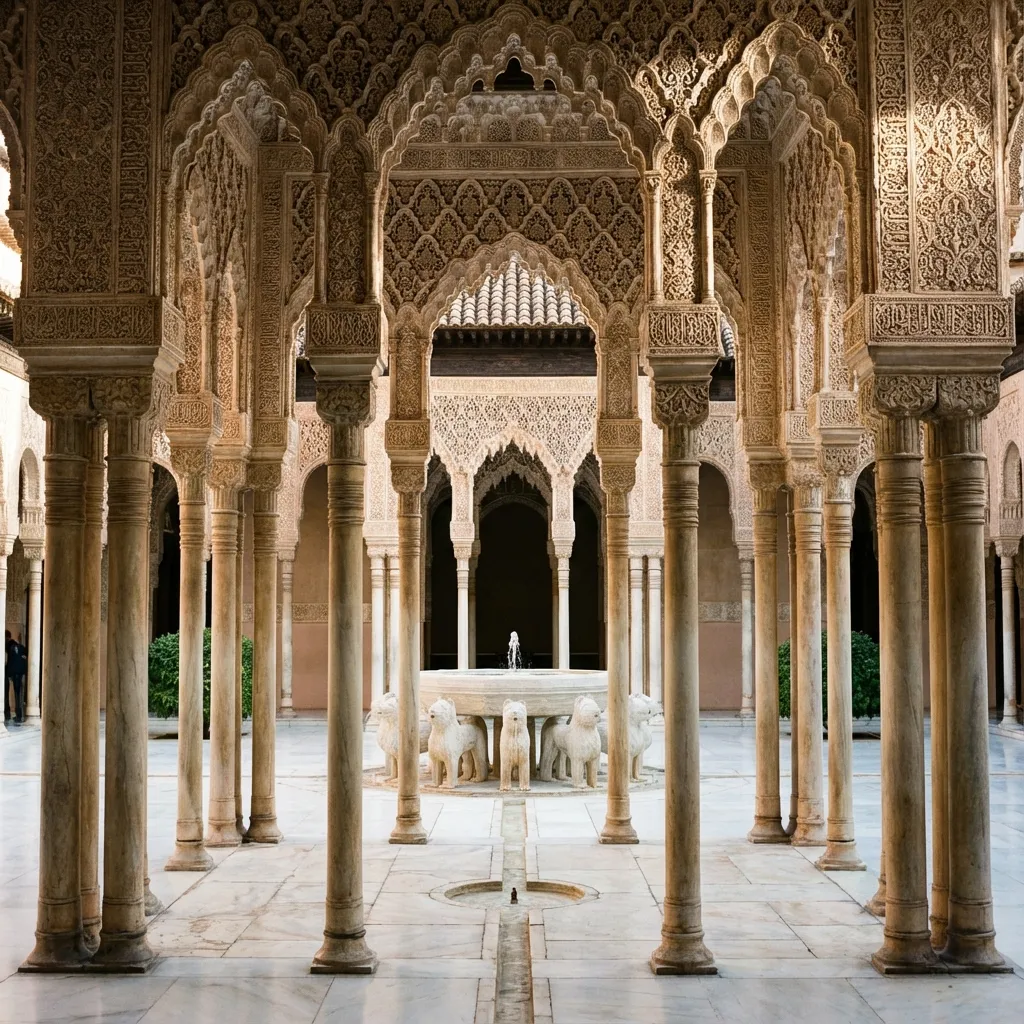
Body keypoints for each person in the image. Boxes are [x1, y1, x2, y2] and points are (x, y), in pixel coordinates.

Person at [8, 633, 26, 724]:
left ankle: (19, 715)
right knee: (18, 695)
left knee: (18, 694)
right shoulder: (20, 649)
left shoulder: (15, 649)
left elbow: (10, 662)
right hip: (18, 675)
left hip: (18, 675)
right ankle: (19, 715)